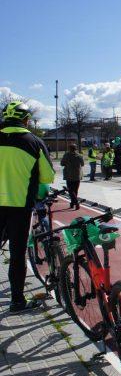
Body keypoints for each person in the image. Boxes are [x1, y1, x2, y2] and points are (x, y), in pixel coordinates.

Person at [0, 101, 55, 313]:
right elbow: (48, 176)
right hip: (19, 206)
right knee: (16, 254)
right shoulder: (34, 142)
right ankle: (16, 301)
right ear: (26, 120)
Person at [61, 143, 84, 208]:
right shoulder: (79, 155)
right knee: (75, 190)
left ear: (69, 149)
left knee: (71, 190)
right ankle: (72, 203)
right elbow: (82, 164)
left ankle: (76, 203)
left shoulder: (66, 155)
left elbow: (62, 163)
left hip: (69, 175)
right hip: (77, 175)